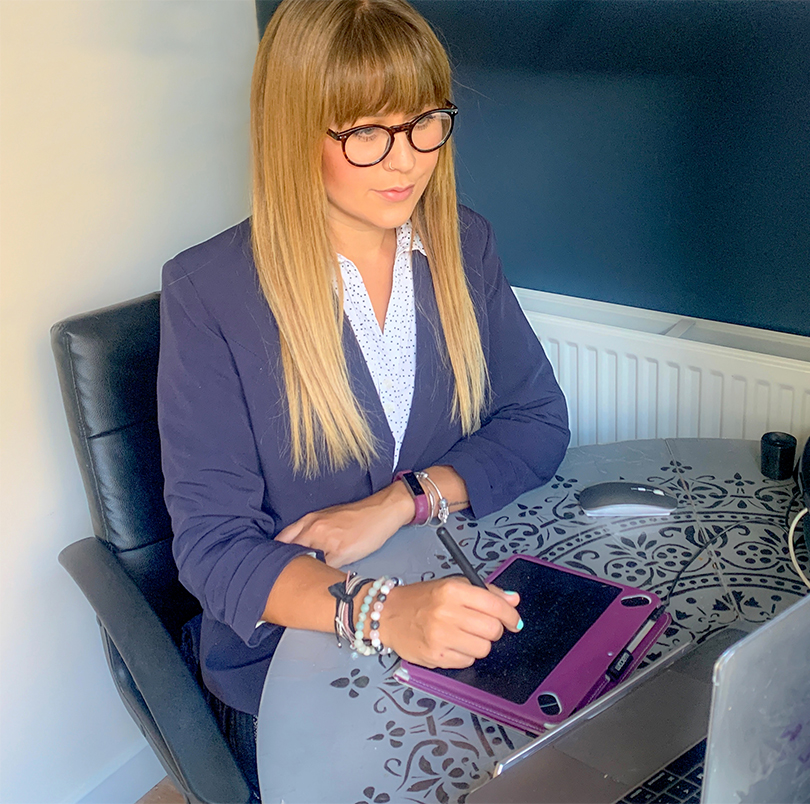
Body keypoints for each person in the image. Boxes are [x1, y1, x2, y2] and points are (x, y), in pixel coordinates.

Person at [156, 0, 570, 795]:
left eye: (424, 122)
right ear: (293, 133)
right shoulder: (210, 293)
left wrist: (402, 500)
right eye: (365, 132)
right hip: (290, 662)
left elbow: (536, 421)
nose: (406, 160)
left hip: (443, 601)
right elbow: (212, 550)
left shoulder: (462, 243)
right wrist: (383, 613)